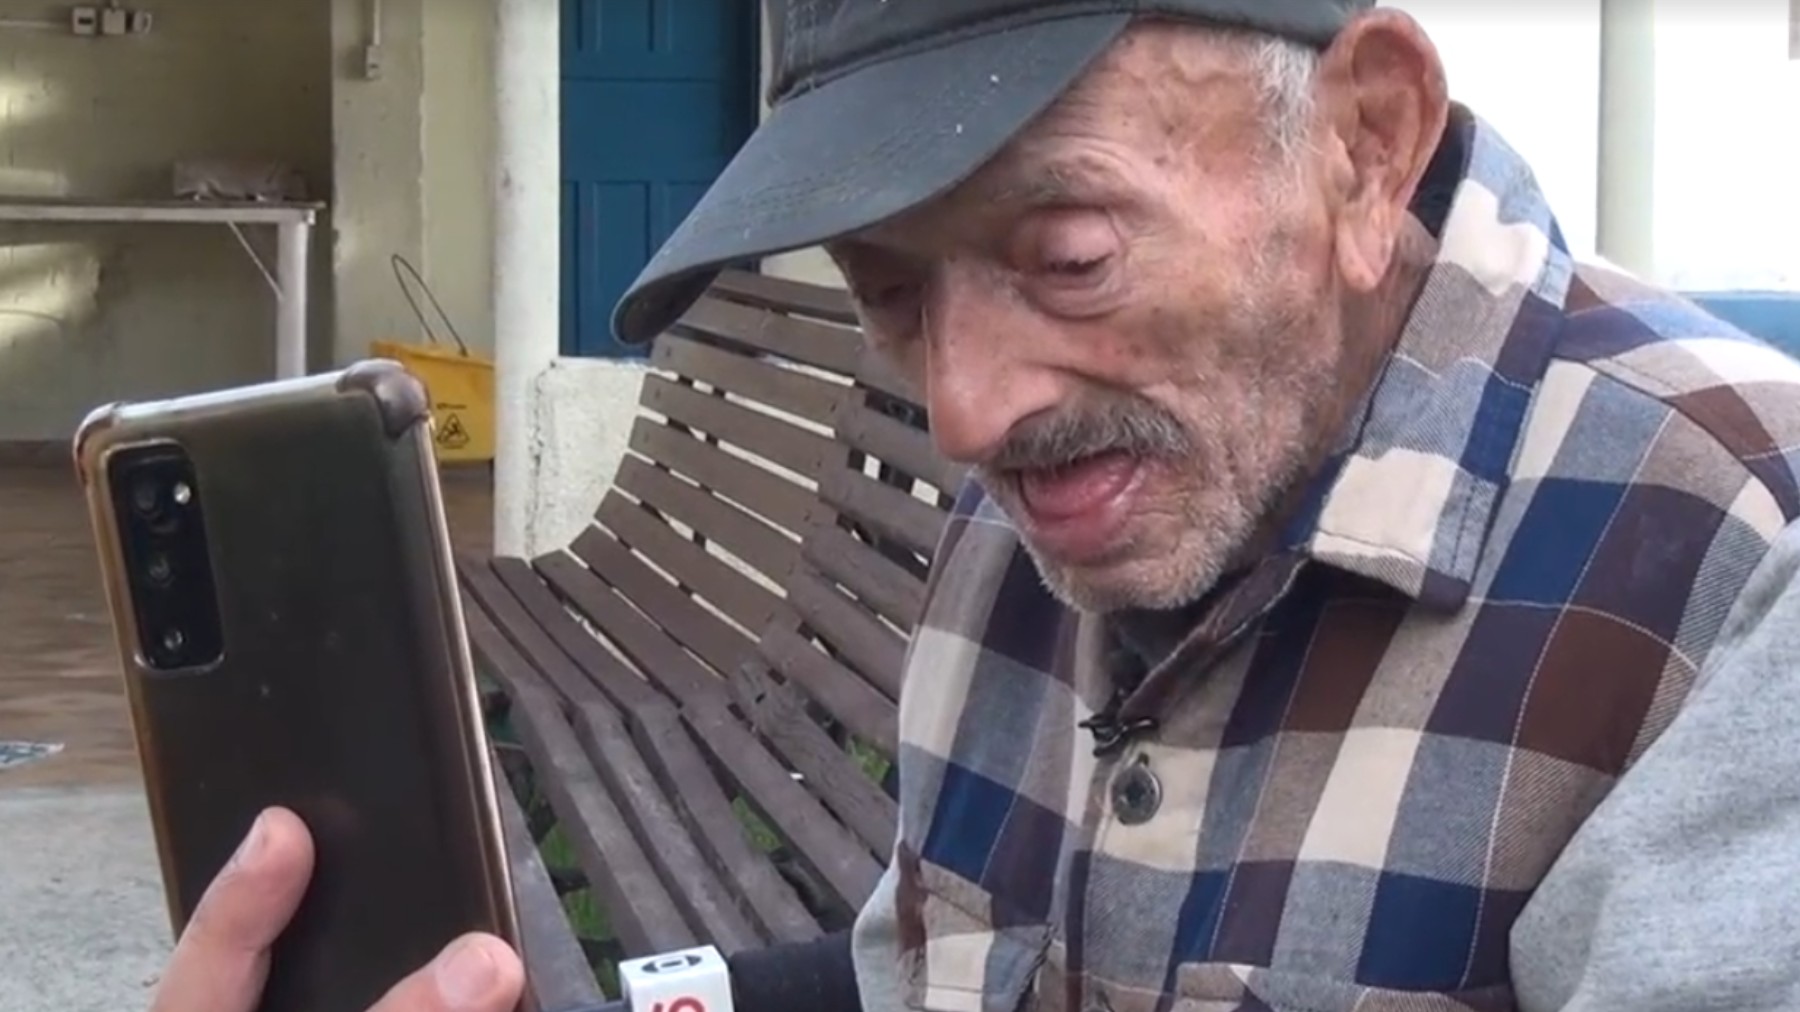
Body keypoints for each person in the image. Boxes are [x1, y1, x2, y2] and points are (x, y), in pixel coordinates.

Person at [149, 1, 1800, 1010]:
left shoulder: (1731, 568)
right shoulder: (1077, 481)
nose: (962, 409)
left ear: (1367, 145)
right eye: (888, 292)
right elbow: (932, 971)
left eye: (1068, 255)